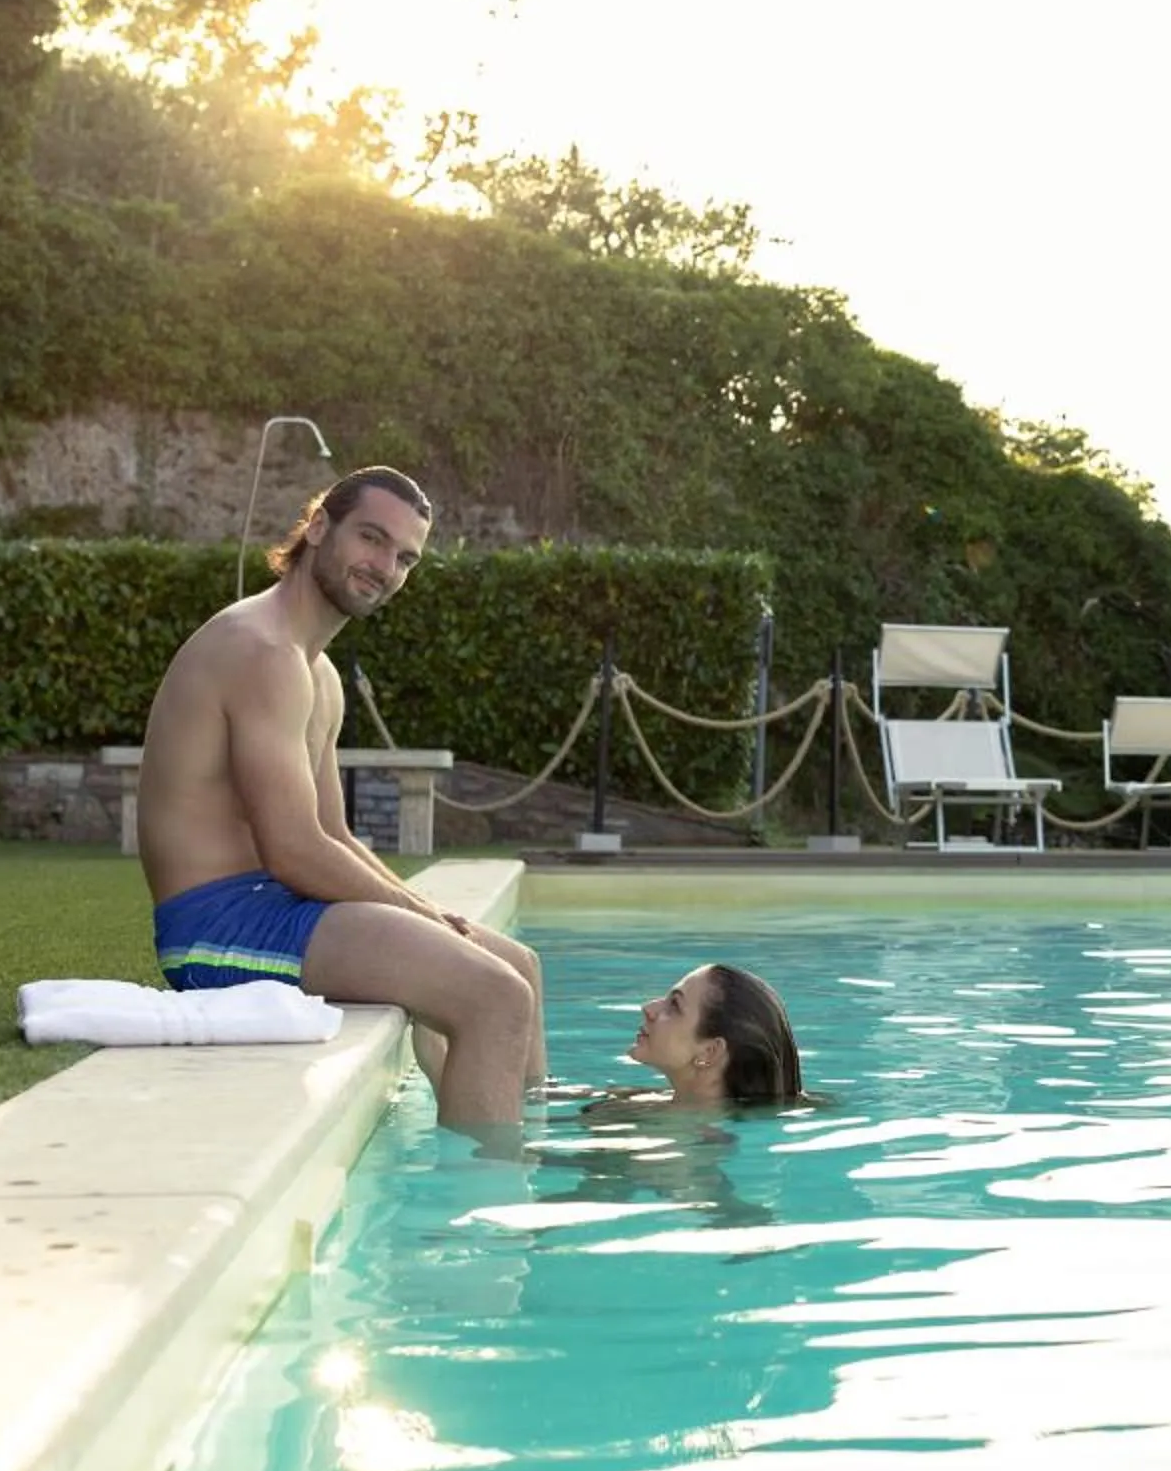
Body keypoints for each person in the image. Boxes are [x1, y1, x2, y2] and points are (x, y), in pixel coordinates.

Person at [135, 466, 546, 1142]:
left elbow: (335, 835)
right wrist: (425, 920)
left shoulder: (316, 672)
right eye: (372, 539)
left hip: (281, 912)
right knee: (494, 995)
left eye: (405, 557)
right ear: (319, 525)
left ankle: (525, 1145)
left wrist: (432, 920)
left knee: (519, 967)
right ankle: (483, 1223)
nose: (384, 567)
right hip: (219, 928)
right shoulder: (260, 650)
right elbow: (294, 850)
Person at [623, 962, 806, 1107]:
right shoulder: (638, 1104)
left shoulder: (701, 1146)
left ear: (709, 1051)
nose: (648, 1009)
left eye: (675, 1006)